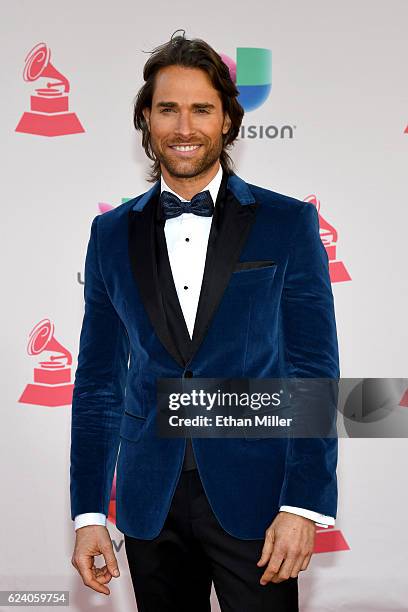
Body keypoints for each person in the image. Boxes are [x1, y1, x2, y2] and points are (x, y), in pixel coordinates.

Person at [70, 30, 339, 612]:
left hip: (258, 497)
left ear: (227, 121)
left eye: (201, 109)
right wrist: (90, 512)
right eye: (168, 109)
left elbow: (312, 371)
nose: (184, 127)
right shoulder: (110, 234)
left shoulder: (288, 224)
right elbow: (96, 383)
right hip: (148, 500)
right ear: (146, 119)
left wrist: (301, 504)